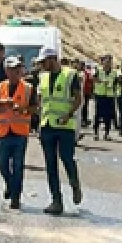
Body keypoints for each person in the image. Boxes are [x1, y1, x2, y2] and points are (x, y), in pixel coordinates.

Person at [36, 49, 84, 215]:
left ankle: (74, 183)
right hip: (47, 126)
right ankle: (56, 201)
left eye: (44, 62)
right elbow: (40, 101)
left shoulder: (70, 75)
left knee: (66, 158)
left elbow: (78, 98)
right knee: (50, 165)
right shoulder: (42, 77)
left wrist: (69, 114)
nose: (42, 65)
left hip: (65, 127)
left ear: (53, 59)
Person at [0, 56, 35, 209]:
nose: (16, 72)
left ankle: (16, 197)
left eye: (18, 69)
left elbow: (35, 107)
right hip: (3, 133)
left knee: (18, 166)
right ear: (7, 71)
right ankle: (10, 184)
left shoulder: (28, 88)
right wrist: (3, 102)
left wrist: (23, 109)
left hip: (20, 133)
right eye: (12, 69)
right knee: (1, 164)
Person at [92, 55, 119, 140]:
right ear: (103, 62)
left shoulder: (114, 73)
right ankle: (96, 133)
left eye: (110, 62)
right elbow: (94, 79)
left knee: (108, 116)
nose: (108, 64)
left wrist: (114, 89)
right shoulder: (99, 71)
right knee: (98, 115)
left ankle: (106, 134)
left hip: (109, 96)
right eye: (106, 62)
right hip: (100, 95)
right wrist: (102, 81)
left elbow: (116, 83)